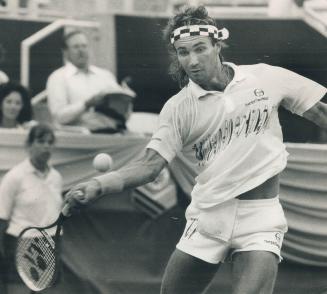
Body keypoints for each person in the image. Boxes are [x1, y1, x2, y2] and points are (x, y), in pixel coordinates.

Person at [63, 5, 327, 294]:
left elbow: (321, 114)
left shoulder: (266, 78)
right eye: (183, 52)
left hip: (260, 218)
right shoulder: (178, 108)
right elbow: (149, 165)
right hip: (207, 218)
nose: (192, 60)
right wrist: (98, 184)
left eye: (200, 48)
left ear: (217, 45)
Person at [0, 124, 63, 293]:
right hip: (21, 244)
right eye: (41, 141)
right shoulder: (14, 176)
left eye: (50, 142)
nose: (46, 146)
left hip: (50, 244)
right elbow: (2, 217)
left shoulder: (56, 177)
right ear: (29, 145)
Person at [46, 30, 136, 133]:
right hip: (80, 137)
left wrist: (125, 101)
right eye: (76, 47)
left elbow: (124, 116)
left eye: (84, 46)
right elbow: (59, 117)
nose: (81, 50)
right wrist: (86, 104)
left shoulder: (105, 75)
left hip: (112, 134)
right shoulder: (58, 77)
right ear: (65, 52)